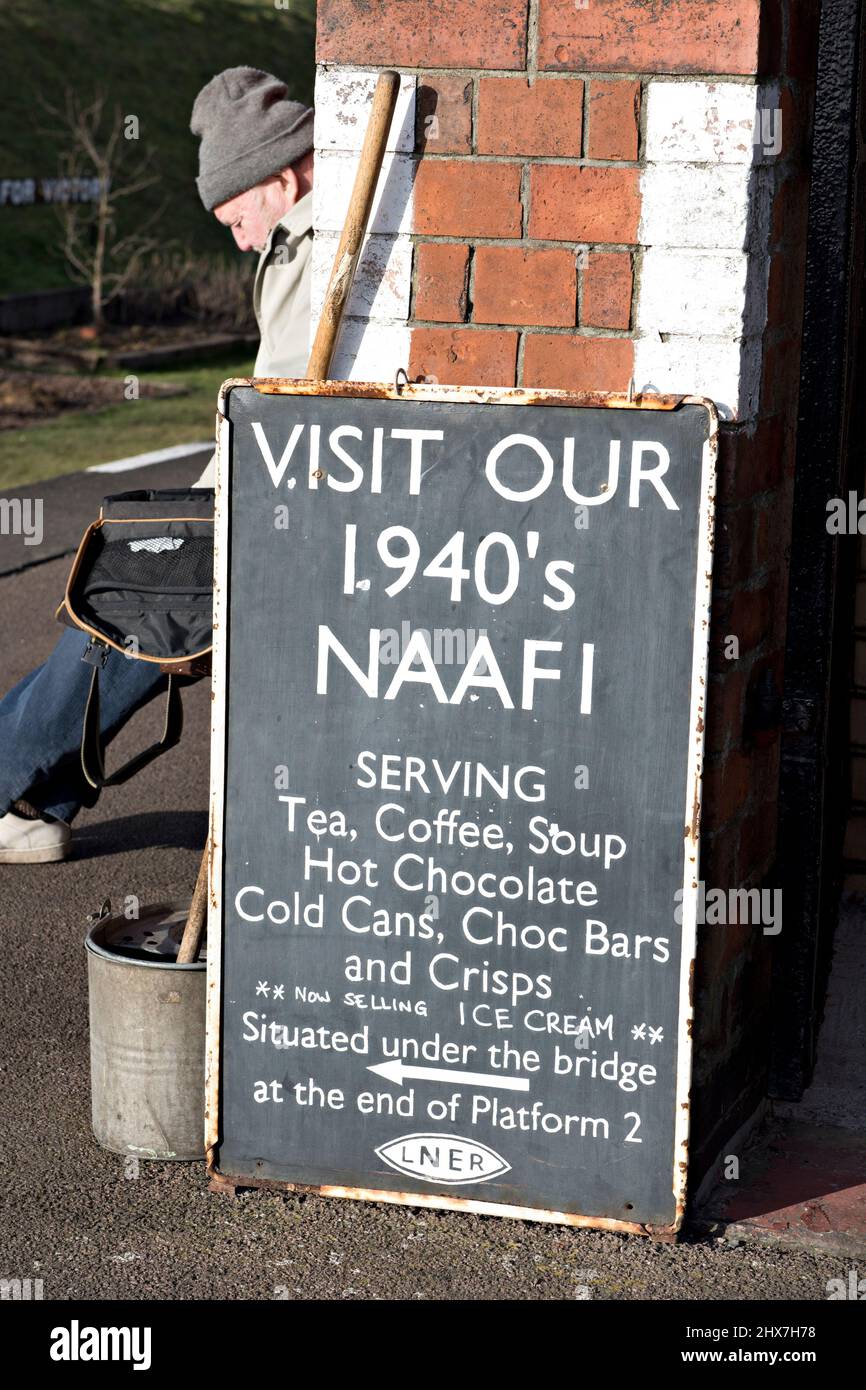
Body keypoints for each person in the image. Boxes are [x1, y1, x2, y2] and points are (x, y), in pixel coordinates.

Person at [0, 68, 314, 863]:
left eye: (238, 219)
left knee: (122, 622)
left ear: (281, 176)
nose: (240, 241)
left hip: (279, 505)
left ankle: (20, 788)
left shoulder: (325, 245)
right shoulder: (298, 241)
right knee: (123, 609)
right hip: (244, 489)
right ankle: (38, 794)